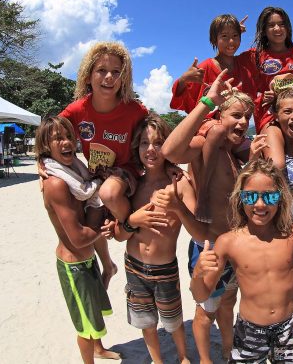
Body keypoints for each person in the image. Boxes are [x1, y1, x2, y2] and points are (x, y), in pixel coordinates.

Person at [190, 159, 293, 363]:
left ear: (280, 198)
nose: (260, 204)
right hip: (249, 330)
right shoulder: (228, 242)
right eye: (250, 196)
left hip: (289, 327)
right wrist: (198, 274)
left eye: (269, 197)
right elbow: (201, 294)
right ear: (240, 199)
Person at [161, 72, 253, 363]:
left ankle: (227, 350)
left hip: (233, 246)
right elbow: (170, 151)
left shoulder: (231, 155)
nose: (242, 122)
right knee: (205, 312)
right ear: (220, 116)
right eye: (236, 115)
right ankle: (205, 359)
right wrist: (206, 102)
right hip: (210, 247)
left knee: (228, 304)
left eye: (246, 117)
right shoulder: (204, 145)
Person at [112, 115, 209, 364]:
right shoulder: (133, 185)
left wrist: (177, 208)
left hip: (164, 268)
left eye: (158, 143)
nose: (151, 149)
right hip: (133, 265)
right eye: (144, 143)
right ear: (136, 148)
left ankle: (183, 357)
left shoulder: (179, 183)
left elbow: (200, 233)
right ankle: (157, 360)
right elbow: (119, 236)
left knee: (173, 320)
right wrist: (133, 221)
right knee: (146, 321)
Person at [59, 41, 149, 287]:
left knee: (107, 192)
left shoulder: (134, 110)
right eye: (101, 70)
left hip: (125, 172)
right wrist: (41, 161)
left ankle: (125, 224)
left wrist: (169, 164)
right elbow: (53, 133)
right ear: (88, 76)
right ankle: (108, 264)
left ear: (124, 78)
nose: (109, 77)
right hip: (94, 173)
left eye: (116, 72)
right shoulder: (78, 109)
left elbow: (157, 133)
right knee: (91, 216)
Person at [36, 116, 119, 363]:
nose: (66, 142)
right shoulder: (56, 184)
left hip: (88, 259)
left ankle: (100, 348)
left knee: (93, 313)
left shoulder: (77, 173)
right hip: (73, 267)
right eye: (57, 138)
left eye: (69, 137)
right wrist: (104, 230)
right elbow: (79, 236)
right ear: (46, 147)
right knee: (85, 326)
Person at [169, 14, 253, 222]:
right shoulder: (206, 66)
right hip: (209, 123)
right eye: (224, 36)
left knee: (259, 153)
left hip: (233, 125)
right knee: (217, 130)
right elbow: (183, 98)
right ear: (214, 40)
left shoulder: (242, 65)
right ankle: (204, 195)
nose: (231, 41)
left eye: (235, 36)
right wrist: (183, 80)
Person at [254, 88, 293, 353]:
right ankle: (275, 334)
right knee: (276, 285)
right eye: (287, 111)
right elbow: (272, 171)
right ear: (276, 115)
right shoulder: (271, 140)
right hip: (277, 227)